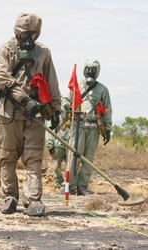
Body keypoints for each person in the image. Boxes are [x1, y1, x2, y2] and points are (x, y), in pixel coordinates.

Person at [0, 12, 61, 216]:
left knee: (34, 159)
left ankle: (33, 201)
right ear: (17, 32)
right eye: (24, 34)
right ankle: (9, 197)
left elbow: (51, 81)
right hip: (8, 112)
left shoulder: (43, 53)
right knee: (6, 158)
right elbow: (1, 78)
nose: (28, 38)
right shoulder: (5, 50)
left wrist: (55, 109)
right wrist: (24, 99)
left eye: (32, 34)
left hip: (35, 114)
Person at [61, 58, 112, 195]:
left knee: (88, 159)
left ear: (97, 72)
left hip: (94, 127)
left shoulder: (102, 90)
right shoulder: (76, 86)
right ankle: (69, 186)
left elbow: (108, 110)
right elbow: (65, 99)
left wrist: (107, 129)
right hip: (77, 125)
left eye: (93, 70)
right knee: (73, 157)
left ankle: (82, 186)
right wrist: (66, 105)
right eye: (88, 69)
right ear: (84, 70)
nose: (90, 72)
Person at [45, 113, 69, 189]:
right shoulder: (54, 115)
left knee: (71, 166)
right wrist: (50, 145)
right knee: (55, 165)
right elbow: (49, 131)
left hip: (70, 144)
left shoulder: (71, 115)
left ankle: (68, 184)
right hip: (58, 144)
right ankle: (59, 182)